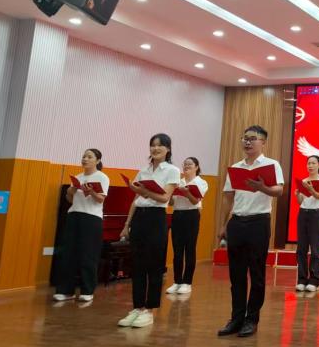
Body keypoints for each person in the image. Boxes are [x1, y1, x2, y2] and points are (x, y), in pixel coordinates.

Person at [217, 125, 284, 338]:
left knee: (256, 274)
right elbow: (228, 197)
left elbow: (279, 191)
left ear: (263, 142)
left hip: (258, 223)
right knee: (236, 275)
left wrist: (262, 187)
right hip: (237, 222)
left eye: (253, 138)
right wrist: (223, 224)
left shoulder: (271, 165)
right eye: (245, 138)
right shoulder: (236, 167)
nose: (248, 142)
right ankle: (236, 318)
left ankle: (251, 319)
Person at [119, 134, 180, 328]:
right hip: (139, 217)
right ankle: (137, 307)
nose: (155, 148)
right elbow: (135, 200)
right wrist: (127, 224)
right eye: (152, 145)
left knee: (154, 264)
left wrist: (145, 192)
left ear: (168, 149)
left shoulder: (172, 170)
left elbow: (165, 198)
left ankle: (150, 310)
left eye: (160, 145)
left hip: (156, 217)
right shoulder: (143, 170)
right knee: (137, 265)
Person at [53, 148, 109, 303]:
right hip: (74, 215)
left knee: (88, 254)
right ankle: (65, 291)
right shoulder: (77, 177)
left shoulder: (102, 177)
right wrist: (71, 191)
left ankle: (87, 290)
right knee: (68, 253)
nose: (85, 159)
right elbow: (70, 200)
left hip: (91, 218)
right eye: (84, 156)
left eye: (89, 157)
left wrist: (91, 192)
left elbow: (100, 199)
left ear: (97, 160)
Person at [166, 157, 209, 296]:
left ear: (196, 167)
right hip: (177, 215)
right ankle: (177, 281)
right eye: (184, 164)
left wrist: (187, 192)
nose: (186, 166)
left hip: (191, 215)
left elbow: (195, 201)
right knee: (177, 250)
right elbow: (171, 203)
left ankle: (187, 283)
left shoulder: (201, 182)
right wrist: (170, 194)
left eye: (190, 164)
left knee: (189, 248)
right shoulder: (178, 181)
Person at [295, 155, 319, 293]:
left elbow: (318, 196)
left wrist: (310, 189)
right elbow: (300, 202)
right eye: (309, 163)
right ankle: (302, 280)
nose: (310, 166)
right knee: (301, 249)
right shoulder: (304, 181)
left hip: (315, 215)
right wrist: (298, 194)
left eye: (314, 163)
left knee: (315, 249)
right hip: (303, 214)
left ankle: (314, 280)